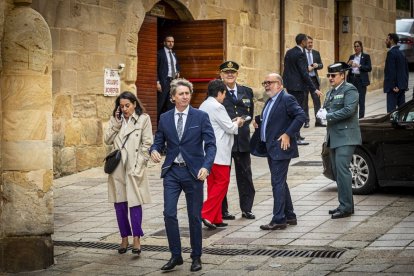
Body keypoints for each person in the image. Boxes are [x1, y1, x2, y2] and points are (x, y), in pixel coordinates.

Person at [150, 78, 216, 272]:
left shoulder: (201, 117)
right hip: (172, 172)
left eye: (187, 93)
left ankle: (196, 257)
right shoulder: (165, 118)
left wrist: (206, 166)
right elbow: (158, 142)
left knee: (194, 217)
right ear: (173, 97)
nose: (185, 96)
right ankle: (176, 255)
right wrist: (154, 150)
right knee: (169, 214)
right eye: (181, 94)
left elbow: (211, 145)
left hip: (194, 173)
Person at [252, 73, 305, 230]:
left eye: (270, 82)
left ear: (279, 84)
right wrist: (259, 122)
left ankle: (279, 219)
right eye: (265, 82)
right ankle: (290, 216)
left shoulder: (286, 98)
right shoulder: (271, 100)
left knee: (277, 182)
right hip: (271, 148)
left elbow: (301, 116)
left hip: (281, 148)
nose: (267, 85)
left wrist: (288, 134)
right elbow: (273, 120)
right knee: (280, 181)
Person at [104, 91, 153, 255]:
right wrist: (117, 124)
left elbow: (147, 144)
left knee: (135, 203)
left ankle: (137, 238)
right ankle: (124, 237)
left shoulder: (143, 119)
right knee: (119, 205)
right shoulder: (115, 120)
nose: (125, 109)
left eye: (127, 105)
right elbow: (107, 140)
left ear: (134, 104)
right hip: (117, 168)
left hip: (134, 167)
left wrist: (139, 167)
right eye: (122, 106)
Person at [317, 62, 361, 219]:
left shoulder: (350, 89)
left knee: (342, 170)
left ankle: (346, 207)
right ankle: (344, 203)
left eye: (333, 75)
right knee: (336, 171)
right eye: (328, 75)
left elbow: (349, 110)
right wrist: (323, 112)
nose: (330, 78)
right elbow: (328, 107)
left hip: (347, 136)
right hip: (334, 137)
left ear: (343, 75)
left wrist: (328, 116)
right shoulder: (330, 92)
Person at [199, 79, 244, 229]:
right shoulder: (218, 106)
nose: (224, 97)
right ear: (219, 93)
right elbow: (230, 128)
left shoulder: (204, 105)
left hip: (208, 151)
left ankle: (215, 217)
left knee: (212, 184)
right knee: (222, 183)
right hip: (219, 151)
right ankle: (205, 212)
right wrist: (238, 121)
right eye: (224, 93)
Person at [220, 61, 256, 220]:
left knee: (245, 176)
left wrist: (243, 119)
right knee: (222, 178)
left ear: (237, 74)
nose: (230, 74)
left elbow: (250, 114)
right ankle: (223, 211)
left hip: (242, 141)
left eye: (232, 72)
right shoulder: (217, 92)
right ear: (221, 74)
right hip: (224, 142)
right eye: (226, 72)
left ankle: (247, 208)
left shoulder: (246, 91)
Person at [283, 33, 322, 145]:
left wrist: (285, 84)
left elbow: (286, 70)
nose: (307, 42)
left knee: (294, 110)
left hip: (290, 86)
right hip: (299, 87)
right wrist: (314, 89)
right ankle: (295, 137)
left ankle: (297, 135)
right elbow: (304, 73)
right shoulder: (300, 54)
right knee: (297, 112)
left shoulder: (289, 52)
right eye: (306, 41)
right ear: (303, 42)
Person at [157, 35, 181, 120]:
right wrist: (157, 82)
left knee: (171, 104)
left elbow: (176, 66)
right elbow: (155, 68)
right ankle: (155, 124)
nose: (171, 43)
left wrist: (178, 72)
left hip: (173, 82)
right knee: (160, 104)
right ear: (164, 43)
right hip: (164, 82)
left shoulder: (174, 54)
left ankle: (168, 123)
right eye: (169, 41)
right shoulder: (160, 53)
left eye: (172, 42)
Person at [346, 40, 372, 119]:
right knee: (352, 99)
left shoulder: (366, 56)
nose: (356, 48)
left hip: (361, 80)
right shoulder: (352, 56)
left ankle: (361, 118)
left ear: (361, 47)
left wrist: (359, 66)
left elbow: (369, 68)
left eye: (358, 46)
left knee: (361, 99)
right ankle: (352, 117)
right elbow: (346, 68)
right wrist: (348, 64)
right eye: (355, 46)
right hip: (352, 79)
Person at [384, 33, 409, 113]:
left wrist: (394, 86)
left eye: (387, 39)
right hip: (402, 87)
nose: (385, 41)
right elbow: (406, 71)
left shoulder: (391, 53)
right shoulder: (402, 53)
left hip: (393, 89)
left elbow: (391, 71)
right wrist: (405, 85)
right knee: (402, 113)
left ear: (391, 40)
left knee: (391, 114)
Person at [304, 36, 325, 127]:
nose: (310, 44)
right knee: (304, 101)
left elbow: (321, 65)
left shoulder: (316, 53)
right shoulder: (301, 53)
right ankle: (306, 121)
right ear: (305, 43)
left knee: (317, 101)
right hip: (304, 80)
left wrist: (317, 65)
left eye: (311, 42)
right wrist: (307, 68)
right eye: (309, 43)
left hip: (314, 79)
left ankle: (318, 121)